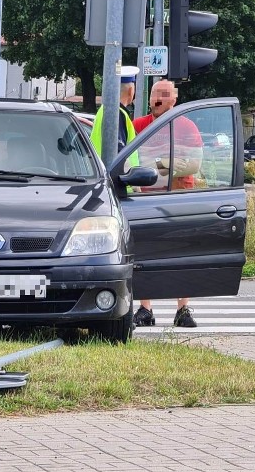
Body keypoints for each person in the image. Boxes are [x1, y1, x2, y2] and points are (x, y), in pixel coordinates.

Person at [131, 79, 203, 328]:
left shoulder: (186, 126)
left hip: (179, 198)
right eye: (154, 94)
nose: (157, 99)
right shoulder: (139, 125)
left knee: (180, 253)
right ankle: (145, 308)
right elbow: (132, 161)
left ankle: (183, 309)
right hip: (146, 198)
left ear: (175, 99)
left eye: (164, 94)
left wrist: (157, 166)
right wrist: (171, 164)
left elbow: (193, 163)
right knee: (145, 252)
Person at [90, 65, 138, 156]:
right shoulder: (117, 114)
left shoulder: (105, 109)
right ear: (131, 91)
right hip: (115, 170)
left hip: (100, 168)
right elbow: (119, 154)